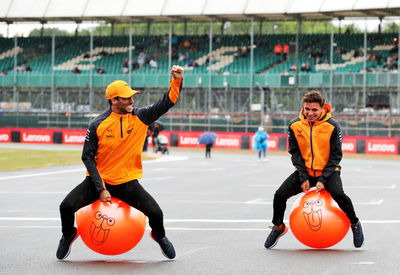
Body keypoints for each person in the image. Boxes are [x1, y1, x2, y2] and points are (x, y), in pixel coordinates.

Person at [56, 65, 184, 260]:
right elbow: (87, 158)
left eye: (132, 96)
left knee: (156, 213)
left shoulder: (141, 116)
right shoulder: (98, 124)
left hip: (127, 182)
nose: (132, 100)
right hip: (98, 181)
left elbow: (168, 102)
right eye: (126, 97)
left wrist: (176, 80)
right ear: (114, 100)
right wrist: (100, 188)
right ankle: (68, 235)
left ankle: (159, 236)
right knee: (66, 207)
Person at [264, 91, 364, 249]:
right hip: (305, 172)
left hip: (329, 171)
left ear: (323, 108)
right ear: (303, 107)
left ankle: (355, 223)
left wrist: (323, 179)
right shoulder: (294, 125)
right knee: (279, 195)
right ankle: (278, 227)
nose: (310, 113)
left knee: (338, 194)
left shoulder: (333, 125)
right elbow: (295, 153)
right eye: (307, 109)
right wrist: (303, 177)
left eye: (314, 110)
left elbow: (336, 156)